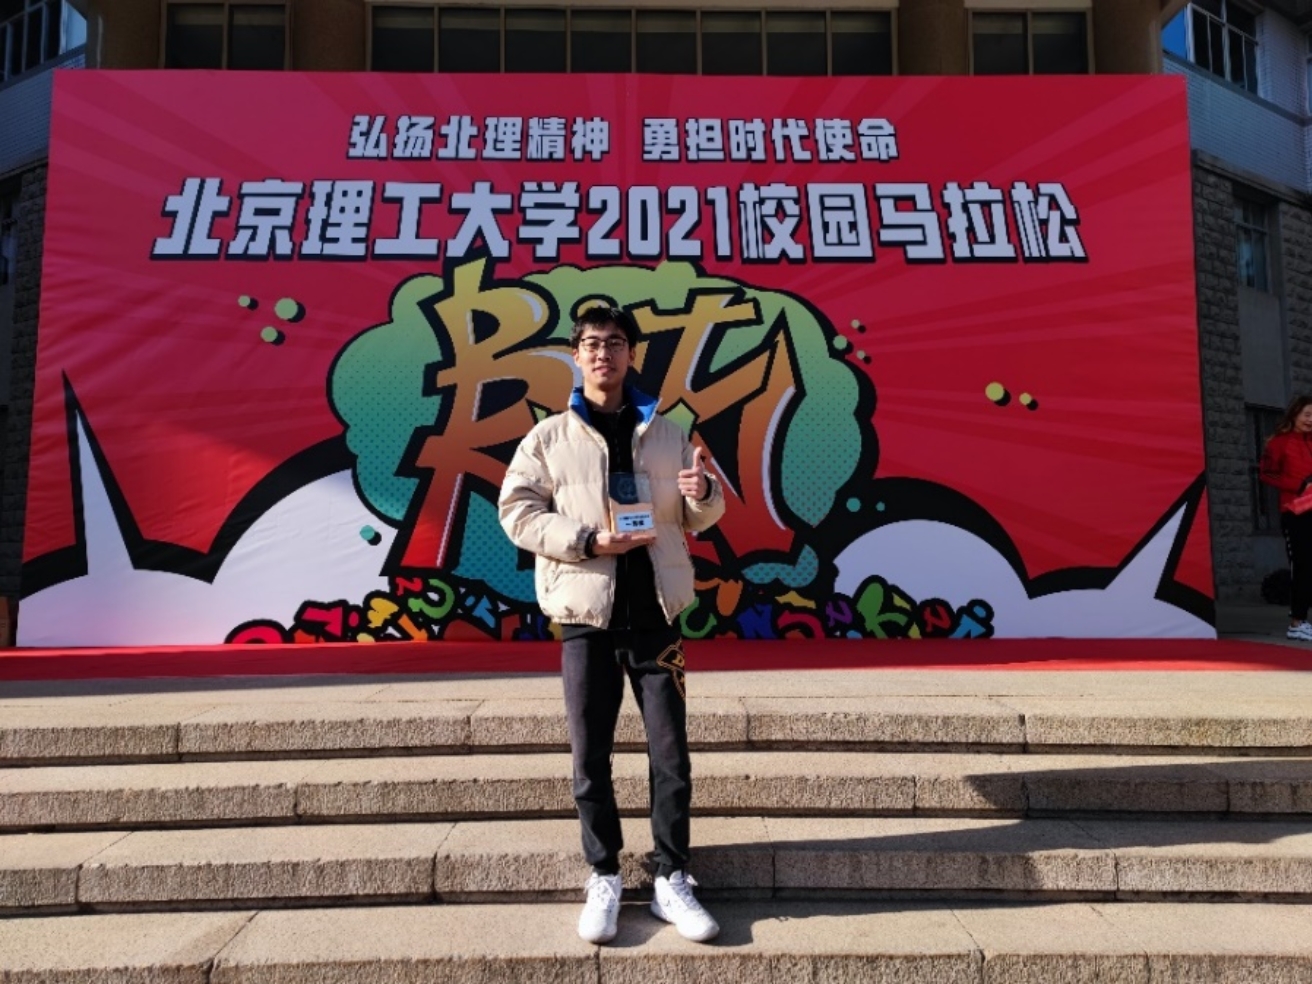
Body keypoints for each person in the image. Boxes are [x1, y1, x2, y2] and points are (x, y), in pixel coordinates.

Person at [498, 305, 726, 945]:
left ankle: (671, 877)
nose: (605, 353)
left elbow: (696, 515)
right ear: (577, 355)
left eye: (616, 343)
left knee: (670, 754)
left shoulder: (669, 431)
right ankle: (604, 874)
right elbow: (516, 512)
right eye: (593, 343)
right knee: (589, 756)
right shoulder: (548, 438)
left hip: (657, 615)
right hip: (585, 617)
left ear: (632, 354)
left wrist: (704, 494)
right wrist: (586, 540)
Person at [1259, 394, 1312, 640]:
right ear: (1295, 414)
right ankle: (1297, 622)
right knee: (1303, 566)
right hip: (1296, 513)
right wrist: (1300, 485)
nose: (1310, 420)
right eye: (1307, 414)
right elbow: (1266, 474)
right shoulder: (1280, 443)